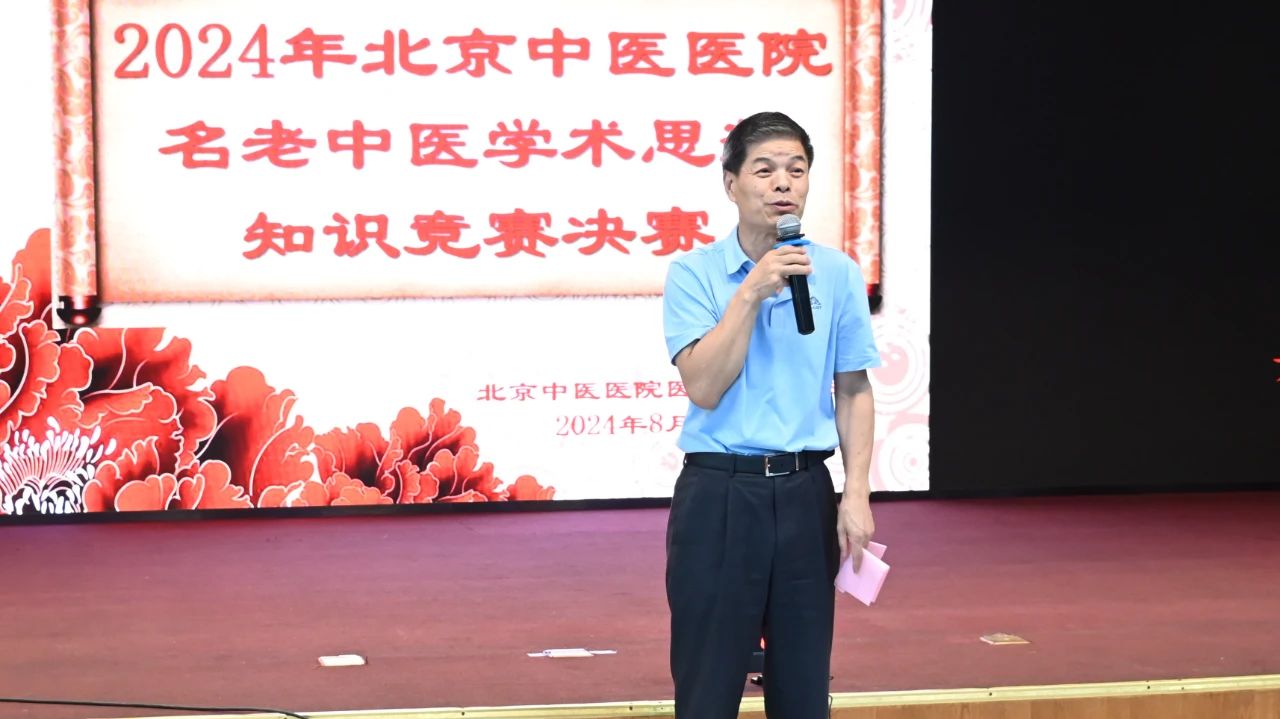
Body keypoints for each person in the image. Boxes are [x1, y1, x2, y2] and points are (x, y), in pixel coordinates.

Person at [661, 111, 881, 718]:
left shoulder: (836, 273)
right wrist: (752, 291)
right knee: (708, 687)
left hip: (806, 493)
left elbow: (853, 389)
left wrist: (856, 494)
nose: (783, 183)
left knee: (804, 689)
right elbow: (705, 386)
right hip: (720, 495)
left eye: (796, 169)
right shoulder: (694, 273)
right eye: (764, 170)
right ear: (730, 184)